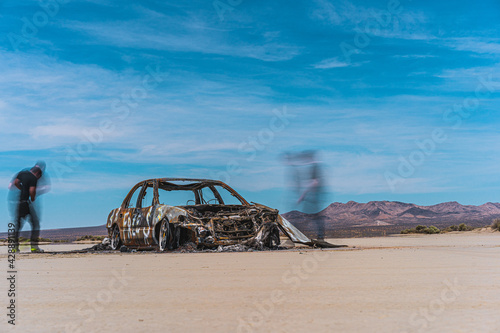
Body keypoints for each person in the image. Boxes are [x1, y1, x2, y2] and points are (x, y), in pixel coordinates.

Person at [10, 165, 44, 253]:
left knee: (17, 225)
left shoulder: (22, 173)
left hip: (19, 203)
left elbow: (16, 182)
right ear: (37, 173)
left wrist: (22, 189)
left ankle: (14, 247)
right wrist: (32, 198)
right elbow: (32, 190)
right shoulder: (33, 178)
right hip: (26, 203)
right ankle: (34, 247)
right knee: (35, 224)